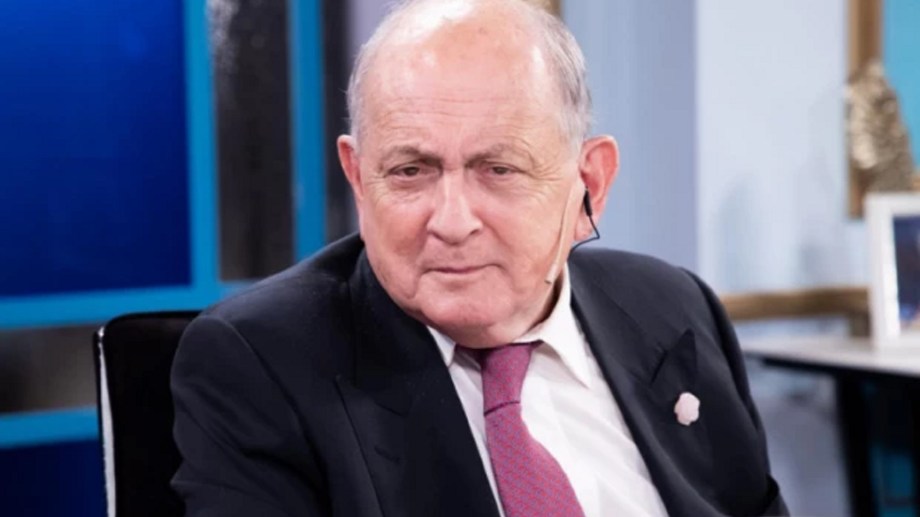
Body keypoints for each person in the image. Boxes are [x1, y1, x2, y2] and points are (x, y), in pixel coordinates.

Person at [170, 1, 787, 515]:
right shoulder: (260, 362)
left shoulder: (674, 309)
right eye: (410, 171)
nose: (452, 221)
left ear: (590, 184)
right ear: (357, 177)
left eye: (498, 169)